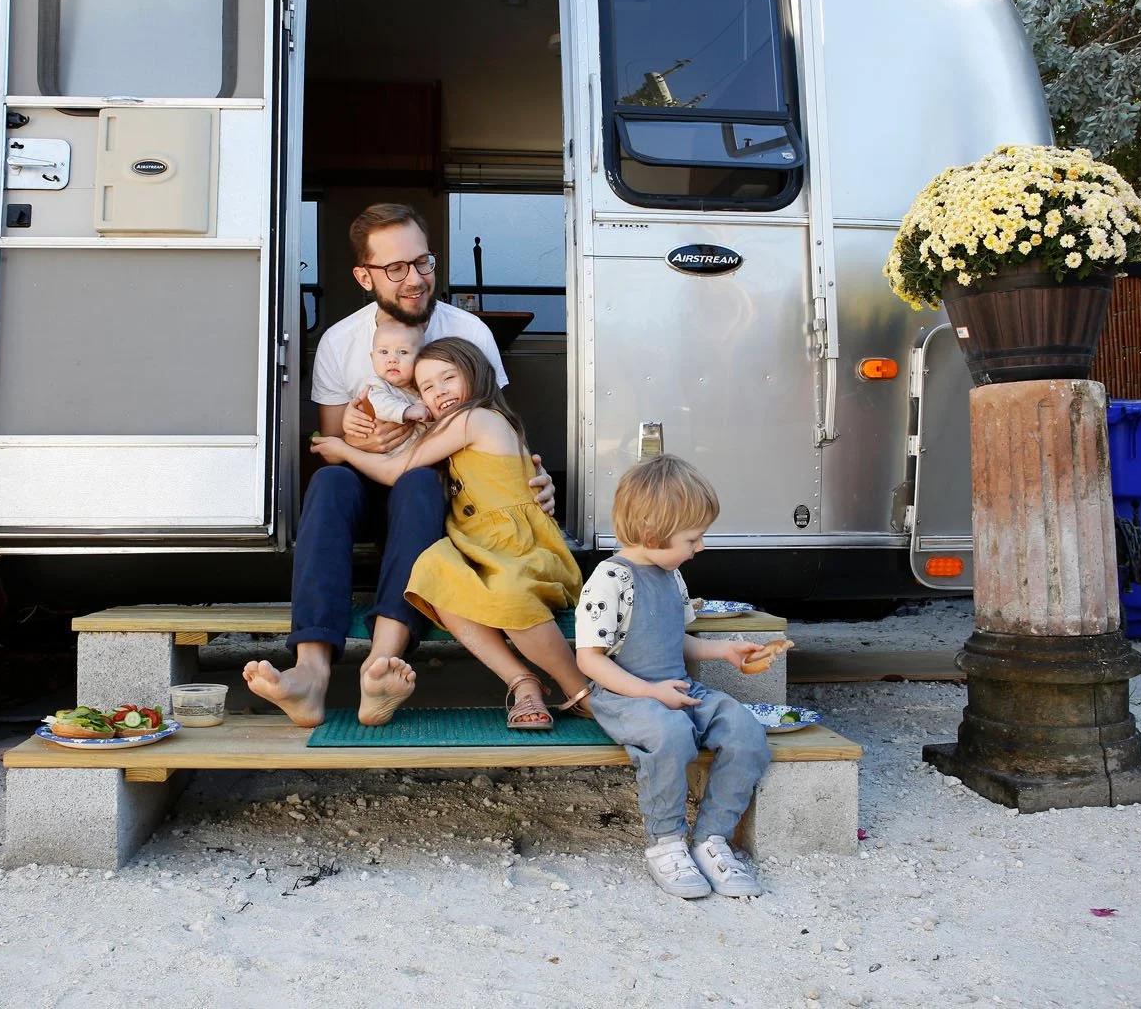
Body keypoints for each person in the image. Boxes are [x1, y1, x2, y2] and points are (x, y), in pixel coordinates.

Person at [243, 203, 553, 728]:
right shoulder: (341, 341)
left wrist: (532, 477)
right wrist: (353, 432)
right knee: (330, 481)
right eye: (395, 268)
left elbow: (501, 427)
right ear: (364, 277)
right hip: (367, 485)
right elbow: (328, 439)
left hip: (442, 495)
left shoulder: (469, 331)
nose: (415, 278)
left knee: (419, 483)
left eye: (422, 262)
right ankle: (310, 672)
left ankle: (380, 665)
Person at [311, 337, 589, 729]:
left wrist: (344, 450)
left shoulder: (474, 419)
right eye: (427, 387)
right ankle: (521, 681)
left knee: (508, 591)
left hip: (518, 548)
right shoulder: (452, 430)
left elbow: (394, 470)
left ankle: (579, 689)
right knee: (434, 574)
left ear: (475, 373)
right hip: (481, 548)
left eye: (448, 378)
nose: (439, 391)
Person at [574, 455, 779, 899]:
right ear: (652, 535)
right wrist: (650, 692)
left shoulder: (672, 575)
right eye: (692, 538)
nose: (700, 547)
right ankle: (666, 843)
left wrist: (723, 650)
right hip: (625, 694)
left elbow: (675, 639)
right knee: (670, 736)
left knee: (744, 730)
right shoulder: (610, 580)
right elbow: (590, 660)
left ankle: (711, 838)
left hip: (676, 688)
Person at [355, 321, 430, 444]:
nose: (392, 359)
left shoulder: (423, 386)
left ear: (420, 358)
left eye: (403, 352)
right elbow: (378, 404)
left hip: (419, 449)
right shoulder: (376, 386)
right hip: (385, 452)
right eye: (384, 352)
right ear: (372, 358)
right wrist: (407, 411)